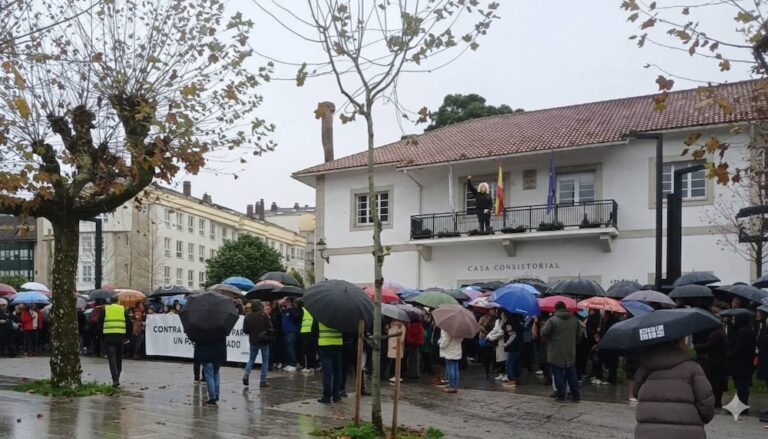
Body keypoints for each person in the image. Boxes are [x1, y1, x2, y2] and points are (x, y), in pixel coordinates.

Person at [633, 338, 715, 439]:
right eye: (683, 340)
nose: (685, 343)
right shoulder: (693, 369)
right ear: (678, 343)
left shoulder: (645, 368)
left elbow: (635, 392)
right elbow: (706, 404)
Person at [541, 301, 583, 402]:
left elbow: (544, 332)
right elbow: (580, 333)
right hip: (570, 351)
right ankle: (576, 396)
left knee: (558, 373)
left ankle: (561, 395)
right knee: (571, 374)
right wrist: (574, 341)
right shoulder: (574, 319)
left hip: (556, 351)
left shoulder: (552, 320)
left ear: (556, 309)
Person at [694, 324, 728, 409]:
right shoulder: (721, 333)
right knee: (717, 386)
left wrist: (698, 347)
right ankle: (717, 402)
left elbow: (710, 345)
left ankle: (715, 403)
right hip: (719, 364)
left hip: (714, 364)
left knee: (714, 384)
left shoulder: (716, 334)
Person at [242, 300, 272, 387]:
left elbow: (245, 330)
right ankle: (263, 380)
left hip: (253, 341)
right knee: (265, 361)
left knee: (251, 359)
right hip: (264, 341)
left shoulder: (248, 316)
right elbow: (270, 327)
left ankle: (246, 374)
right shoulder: (264, 315)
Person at [728, 312, 755, 407]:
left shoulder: (742, 332)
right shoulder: (748, 331)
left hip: (741, 365)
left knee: (742, 386)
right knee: (743, 386)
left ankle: (742, 405)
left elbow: (737, 348)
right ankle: (743, 404)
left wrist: (728, 355)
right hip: (746, 364)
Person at [102, 297, 129, 387]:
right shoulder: (123, 309)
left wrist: (101, 336)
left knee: (111, 358)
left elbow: (99, 323)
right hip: (120, 337)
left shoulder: (106, 309)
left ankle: (115, 378)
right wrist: (128, 337)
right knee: (118, 357)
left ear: (110, 301)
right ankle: (118, 375)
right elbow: (129, 323)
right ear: (118, 301)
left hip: (109, 337)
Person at [194, 335, 227, 405]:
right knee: (216, 373)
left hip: (206, 352)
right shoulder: (221, 326)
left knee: (209, 374)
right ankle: (217, 395)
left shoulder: (202, 328)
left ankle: (212, 397)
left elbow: (196, 339)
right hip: (219, 353)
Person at [316, 321, 343, 403]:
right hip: (337, 344)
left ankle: (327, 396)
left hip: (324, 345)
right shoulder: (340, 317)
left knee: (327, 372)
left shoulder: (321, 316)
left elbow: (315, 332)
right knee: (337, 372)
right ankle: (336, 395)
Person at [502, 313, 524, 388]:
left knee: (509, 364)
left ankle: (511, 380)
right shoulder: (519, 318)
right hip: (519, 344)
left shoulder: (510, 321)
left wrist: (507, 343)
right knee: (516, 363)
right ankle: (516, 378)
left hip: (513, 346)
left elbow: (512, 334)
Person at [438, 328, 462, 393]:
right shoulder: (460, 328)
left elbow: (446, 339)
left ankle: (452, 386)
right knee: (455, 369)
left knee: (450, 368)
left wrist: (440, 345)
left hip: (449, 350)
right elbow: (461, 339)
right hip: (457, 349)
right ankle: (455, 385)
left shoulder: (447, 328)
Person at [280, 298, 301, 372]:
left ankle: (293, 364)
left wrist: (290, 309)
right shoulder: (284, 310)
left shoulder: (293, 309)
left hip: (292, 331)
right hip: (285, 332)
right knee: (287, 348)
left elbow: (296, 318)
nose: (285, 302)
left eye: (287, 301)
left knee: (291, 348)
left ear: (290, 302)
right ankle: (289, 363)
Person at [299, 304, 317, 373]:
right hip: (311, 332)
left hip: (305, 332)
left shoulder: (303, 309)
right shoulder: (314, 309)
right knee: (312, 350)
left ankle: (307, 366)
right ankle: (313, 366)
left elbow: (299, 318)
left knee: (306, 351)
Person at [387, 318, 406, 384]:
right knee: (393, 361)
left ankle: (397, 376)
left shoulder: (401, 326)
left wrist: (394, 342)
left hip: (397, 346)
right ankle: (394, 376)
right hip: (391, 346)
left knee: (397, 361)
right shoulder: (391, 325)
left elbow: (401, 338)